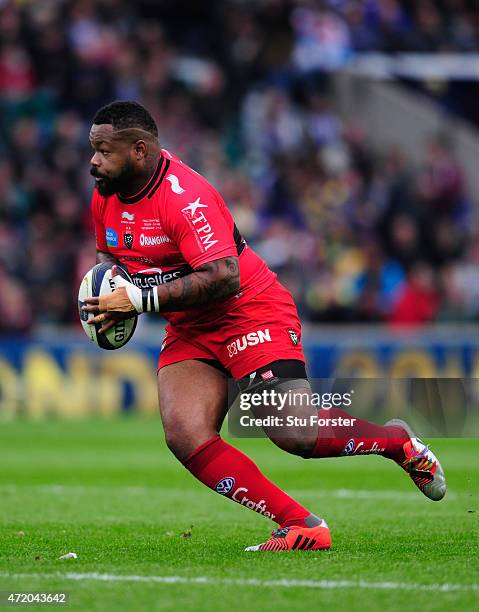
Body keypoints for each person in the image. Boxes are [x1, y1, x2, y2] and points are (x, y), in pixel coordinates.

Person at [82, 101, 446, 552]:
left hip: (249, 311)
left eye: (103, 151)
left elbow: (224, 274)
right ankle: (301, 525)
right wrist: (110, 298)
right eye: (92, 150)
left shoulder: (184, 196)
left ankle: (397, 442)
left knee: (296, 434)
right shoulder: (105, 196)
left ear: (139, 150)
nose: (94, 161)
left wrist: (142, 298)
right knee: (184, 432)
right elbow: (109, 258)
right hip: (191, 326)